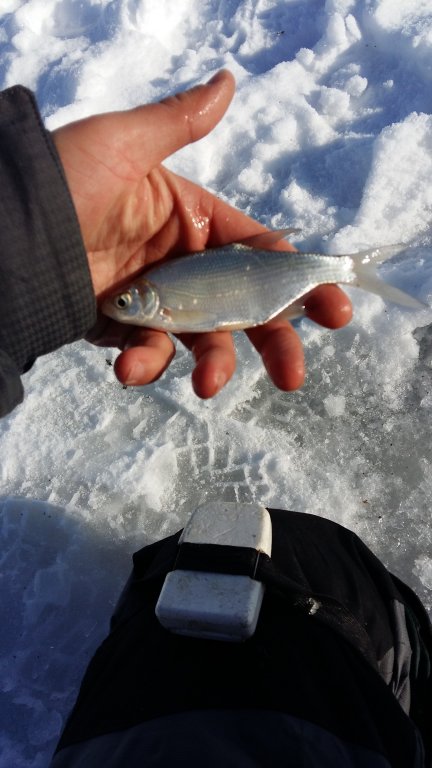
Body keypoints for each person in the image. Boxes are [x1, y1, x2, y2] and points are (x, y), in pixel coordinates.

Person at [0, 72, 430, 767]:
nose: (122, 307)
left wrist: (30, 234)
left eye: (130, 303)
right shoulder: (153, 286)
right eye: (131, 303)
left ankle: (348, 269)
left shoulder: (167, 290)